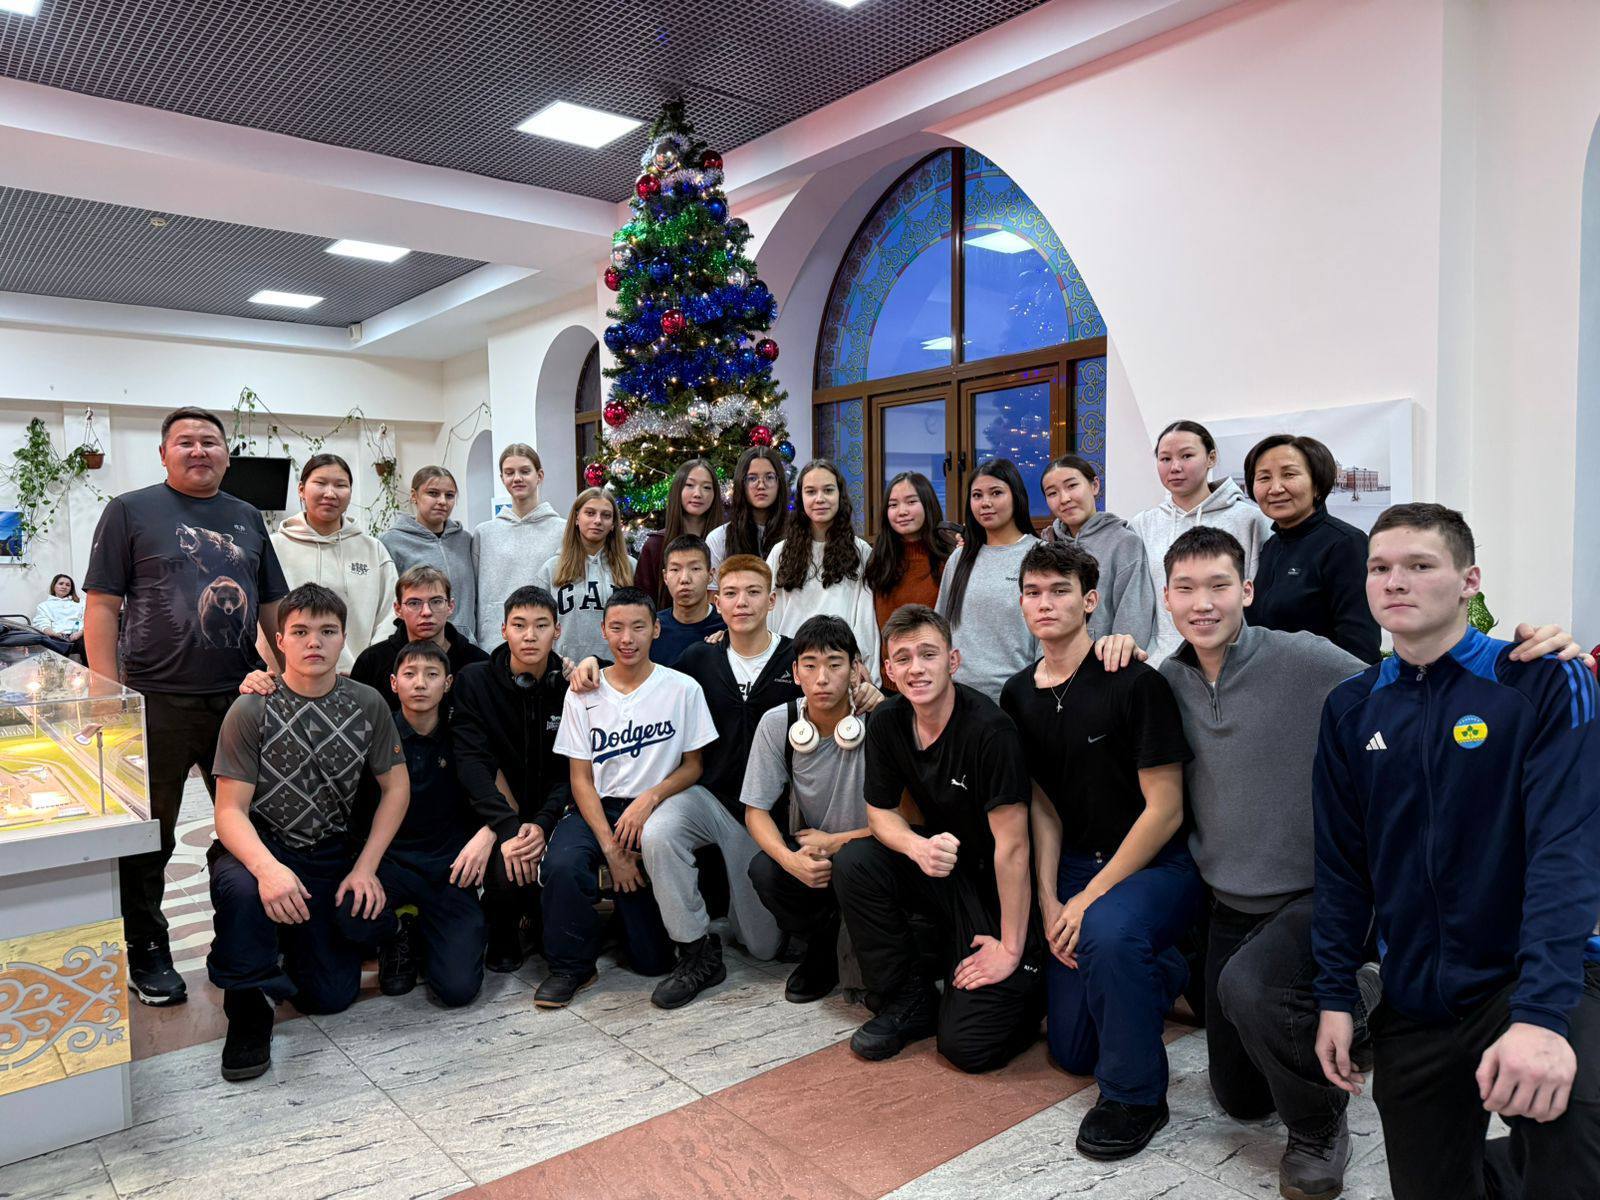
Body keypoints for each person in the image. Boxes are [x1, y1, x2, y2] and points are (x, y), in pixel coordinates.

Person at [1313, 504, 1600, 1200]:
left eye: (1420, 565)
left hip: (1527, 980)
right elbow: (1342, 867)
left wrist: (1540, 1016)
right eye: (1380, 567)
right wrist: (1335, 995)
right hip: (1416, 998)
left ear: (1469, 581)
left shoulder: (1539, 679)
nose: (1395, 581)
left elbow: (1566, 852)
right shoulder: (1350, 708)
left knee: (1576, 1148)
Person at [84, 405, 289, 1007]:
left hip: (240, 699)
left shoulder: (246, 516)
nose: (199, 451)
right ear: (163, 453)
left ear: (227, 455)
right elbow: (102, 605)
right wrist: (106, 691)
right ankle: (148, 948)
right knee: (151, 836)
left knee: (251, 823)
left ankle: (247, 942)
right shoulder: (129, 510)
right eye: (185, 442)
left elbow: (272, 604)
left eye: (210, 442)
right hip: (156, 702)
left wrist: (285, 672)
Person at [1000, 541, 1199, 1160]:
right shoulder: (1017, 695)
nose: (1045, 603)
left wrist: (1090, 896)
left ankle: (1135, 1098)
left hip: (1156, 863)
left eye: (1060, 590)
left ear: (1090, 601)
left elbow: (1166, 809)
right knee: (1073, 1051)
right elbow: (1043, 806)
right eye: (1033, 592)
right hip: (1075, 863)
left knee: (1107, 933)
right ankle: (1163, 970)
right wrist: (1049, 898)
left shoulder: (1134, 681)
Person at [206, 584, 407, 1081]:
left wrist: (365, 868)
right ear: (280, 641)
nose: (314, 641)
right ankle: (248, 1005)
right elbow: (229, 812)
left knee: (330, 997)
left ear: (343, 638)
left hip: (329, 851)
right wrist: (269, 871)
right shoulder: (252, 708)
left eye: (327, 631)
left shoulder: (367, 703)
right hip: (262, 844)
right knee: (243, 893)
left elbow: (396, 789)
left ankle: (286, 945)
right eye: (300, 632)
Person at [833, 604, 1043, 1073]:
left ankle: (1030, 984)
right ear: (889, 671)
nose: (916, 668)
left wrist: (1010, 948)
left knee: (968, 1049)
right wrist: (917, 847)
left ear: (953, 660)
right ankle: (909, 1001)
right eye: (903, 658)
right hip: (943, 865)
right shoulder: (887, 722)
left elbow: (1014, 848)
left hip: (997, 887)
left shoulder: (990, 730)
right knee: (856, 862)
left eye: (928, 654)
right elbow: (880, 813)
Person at [536, 587, 718, 1008]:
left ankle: (623, 926)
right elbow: (580, 778)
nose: (627, 638)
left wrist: (649, 800)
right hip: (596, 808)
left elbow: (694, 766)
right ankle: (571, 967)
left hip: (653, 810)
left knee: (652, 962)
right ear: (603, 631)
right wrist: (611, 850)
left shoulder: (682, 688)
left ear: (656, 629)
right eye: (616, 628)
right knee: (562, 864)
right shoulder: (583, 692)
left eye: (638, 627)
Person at [451, 586, 584, 972]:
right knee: (507, 860)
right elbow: (472, 763)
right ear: (503, 629)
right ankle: (504, 924)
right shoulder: (474, 681)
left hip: (553, 808)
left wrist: (541, 824)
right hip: (494, 808)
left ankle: (539, 913)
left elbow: (570, 769)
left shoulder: (570, 685)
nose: (530, 635)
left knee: (558, 861)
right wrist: (508, 828)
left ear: (557, 631)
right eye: (519, 625)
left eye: (541, 625)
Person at [743, 615, 875, 1004]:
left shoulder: (880, 718)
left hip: (872, 851)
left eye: (835, 664)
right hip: (816, 853)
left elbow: (909, 821)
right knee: (765, 869)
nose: (822, 679)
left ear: (855, 668)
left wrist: (839, 841)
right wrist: (790, 861)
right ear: (796, 672)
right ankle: (822, 943)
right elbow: (755, 811)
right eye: (811, 666)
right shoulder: (778, 722)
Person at [370, 640, 490, 1006]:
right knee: (348, 915)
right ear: (394, 683)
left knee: (457, 989)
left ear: (448, 683)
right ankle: (398, 930)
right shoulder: (378, 734)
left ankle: (433, 931)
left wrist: (486, 833)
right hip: (392, 863)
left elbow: (498, 796)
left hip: (447, 867)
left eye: (432, 674)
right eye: (410, 674)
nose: (420, 683)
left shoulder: (463, 735)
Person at [1129, 420, 1271, 665]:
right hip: (1161, 662)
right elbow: (1138, 599)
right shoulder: (1143, 524)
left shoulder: (1249, 519)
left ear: (1211, 458)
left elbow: (1259, 598)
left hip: (1234, 661)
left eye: (1186, 456)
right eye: (1165, 459)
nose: (1175, 467)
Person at [1244, 433, 1380, 662]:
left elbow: (1360, 649)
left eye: (1289, 474)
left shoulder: (1346, 543)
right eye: (1264, 477)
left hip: (1323, 682)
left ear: (1317, 484)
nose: (1275, 488)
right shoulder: (1271, 545)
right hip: (1266, 680)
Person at [269, 454, 398, 674]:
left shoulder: (372, 549)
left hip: (359, 678)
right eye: (320, 483)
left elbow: (391, 613)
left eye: (340, 485)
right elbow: (260, 617)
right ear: (301, 489)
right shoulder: (274, 547)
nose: (330, 493)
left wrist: (369, 667)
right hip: (288, 678)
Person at [935, 459, 1040, 700]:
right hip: (957, 698)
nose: (985, 503)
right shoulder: (959, 559)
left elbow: (1049, 634)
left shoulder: (1039, 555)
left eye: (996, 493)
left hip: (1018, 698)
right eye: (977, 495)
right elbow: (940, 627)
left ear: (1016, 496)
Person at [768, 459, 879, 684]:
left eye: (828, 490)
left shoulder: (860, 551)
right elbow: (769, 613)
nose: (820, 499)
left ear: (840, 495)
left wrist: (859, 663)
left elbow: (866, 617)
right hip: (790, 667)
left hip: (840, 667)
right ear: (801, 498)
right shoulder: (780, 552)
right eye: (811, 492)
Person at [1038, 455, 1156, 649]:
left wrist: (1116, 659)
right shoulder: (1046, 546)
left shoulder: (1124, 543)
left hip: (1102, 661)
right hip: (1049, 661)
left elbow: (1133, 618)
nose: (1064, 499)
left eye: (1072, 486)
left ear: (1094, 486)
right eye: (1052, 493)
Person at [350, 566, 486, 713]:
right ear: (398, 609)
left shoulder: (478, 663)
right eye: (414, 603)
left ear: (450, 606)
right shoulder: (372, 662)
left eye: (436, 601)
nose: (426, 612)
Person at [472, 444, 564, 651]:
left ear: (539, 475)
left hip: (546, 644)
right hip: (494, 644)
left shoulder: (563, 530)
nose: (517, 478)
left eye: (525, 471)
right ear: (502, 478)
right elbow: (476, 597)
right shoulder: (484, 533)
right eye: (509, 473)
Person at [863, 471, 955, 671]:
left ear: (928, 505)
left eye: (911, 502)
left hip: (934, 676)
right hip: (887, 678)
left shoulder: (949, 560)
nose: (902, 511)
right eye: (893, 505)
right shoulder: (878, 561)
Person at [533, 487, 635, 667]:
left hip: (617, 670)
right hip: (565, 670)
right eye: (590, 513)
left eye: (606, 515)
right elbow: (538, 625)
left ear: (613, 524)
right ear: (576, 518)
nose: (598, 520)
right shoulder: (551, 568)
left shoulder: (631, 567)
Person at [379, 465, 477, 644]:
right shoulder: (391, 541)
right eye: (433, 493)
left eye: (449, 495)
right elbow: (387, 602)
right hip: (417, 646)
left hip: (464, 645)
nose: (442, 501)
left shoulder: (465, 540)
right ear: (414, 496)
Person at [634, 458, 726, 608]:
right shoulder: (656, 544)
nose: (698, 494)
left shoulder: (724, 541)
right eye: (689, 485)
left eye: (706, 487)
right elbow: (642, 605)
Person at [705, 445, 788, 571]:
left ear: (779, 483)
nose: (761, 485)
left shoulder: (796, 535)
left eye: (769, 477)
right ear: (741, 483)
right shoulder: (719, 538)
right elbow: (713, 584)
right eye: (752, 478)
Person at [652, 534, 725, 666]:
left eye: (695, 569)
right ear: (665, 577)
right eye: (675, 569)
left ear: (710, 575)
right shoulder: (652, 628)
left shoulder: (728, 627)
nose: (684, 579)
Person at [33, 572, 84, 653]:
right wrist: (54, 634)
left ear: (71, 588)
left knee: (87, 643)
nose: (64, 587)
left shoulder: (81, 603)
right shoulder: (44, 606)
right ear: (54, 586)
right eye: (61, 584)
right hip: (56, 637)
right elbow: (42, 623)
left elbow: (89, 621)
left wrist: (80, 633)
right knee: (52, 646)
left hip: (79, 636)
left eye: (68, 585)